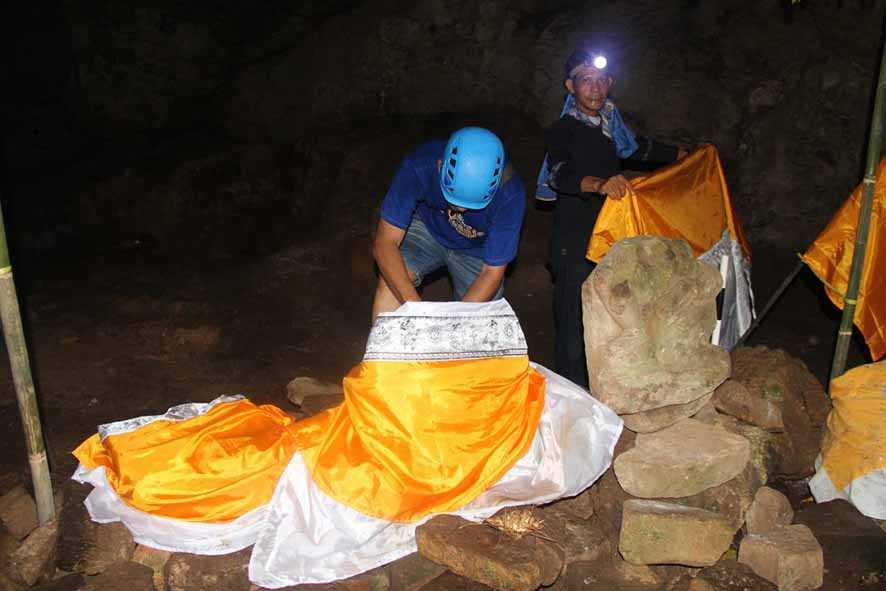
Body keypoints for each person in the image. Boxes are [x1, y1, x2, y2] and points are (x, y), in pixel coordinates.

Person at [540, 46, 688, 388]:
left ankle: (604, 391)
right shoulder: (562, 129)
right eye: (585, 81)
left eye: (601, 80)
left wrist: (687, 156)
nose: (595, 88)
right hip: (574, 238)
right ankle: (570, 393)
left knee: (608, 315)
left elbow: (638, 148)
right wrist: (598, 184)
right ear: (570, 86)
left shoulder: (611, 124)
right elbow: (558, 175)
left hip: (608, 235)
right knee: (573, 323)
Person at [371, 127, 526, 322]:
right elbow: (385, 242)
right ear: (439, 166)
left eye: (469, 205)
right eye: (454, 200)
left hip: (478, 250)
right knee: (391, 284)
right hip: (429, 227)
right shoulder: (419, 165)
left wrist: (452, 324)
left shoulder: (510, 195)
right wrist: (414, 306)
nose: (460, 210)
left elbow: (491, 273)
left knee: (481, 320)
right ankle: (385, 350)